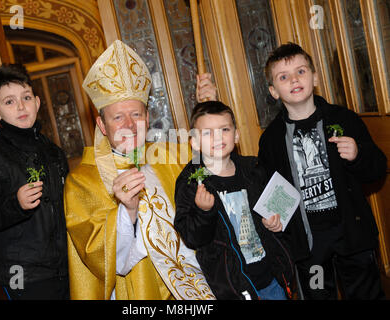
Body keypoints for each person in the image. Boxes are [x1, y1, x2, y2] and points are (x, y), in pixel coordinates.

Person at [64, 40, 216, 300]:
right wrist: (128, 211)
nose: (130, 126)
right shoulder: (81, 181)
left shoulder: (170, 155)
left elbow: (217, 168)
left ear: (147, 117)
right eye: (117, 117)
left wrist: (212, 109)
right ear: (102, 124)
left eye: (136, 115)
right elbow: (104, 261)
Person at [258, 42, 387, 299]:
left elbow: (378, 169)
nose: (294, 79)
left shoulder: (344, 119)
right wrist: (271, 218)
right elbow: (267, 187)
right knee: (317, 295)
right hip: (309, 244)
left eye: (301, 71)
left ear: (315, 77)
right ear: (274, 91)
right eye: (284, 77)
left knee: (366, 294)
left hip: (352, 235)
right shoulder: (271, 140)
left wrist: (358, 155)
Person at [0, 64, 69, 300]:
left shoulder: (54, 152)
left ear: (38, 102)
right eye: (9, 101)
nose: (21, 106)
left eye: (26, 97)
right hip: (21, 275)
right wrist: (16, 204)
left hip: (62, 269)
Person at [174, 101, 294, 300]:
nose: (218, 137)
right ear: (194, 142)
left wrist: (274, 222)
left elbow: (275, 213)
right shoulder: (191, 182)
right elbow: (192, 237)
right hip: (231, 284)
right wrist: (204, 212)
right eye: (207, 133)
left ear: (236, 135)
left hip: (270, 276)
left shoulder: (254, 168)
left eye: (224, 129)